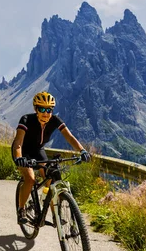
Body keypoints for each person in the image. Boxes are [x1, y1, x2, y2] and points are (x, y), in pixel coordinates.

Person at [11, 91, 91, 224]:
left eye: (49, 109)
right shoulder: (26, 120)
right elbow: (18, 143)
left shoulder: (55, 120)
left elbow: (69, 137)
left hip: (38, 150)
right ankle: (21, 210)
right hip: (22, 152)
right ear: (36, 109)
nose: (46, 113)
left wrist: (82, 150)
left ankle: (56, 216)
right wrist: (19, 158)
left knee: (51, 179)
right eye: (42, 109)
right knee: (30, 179)